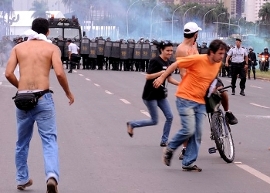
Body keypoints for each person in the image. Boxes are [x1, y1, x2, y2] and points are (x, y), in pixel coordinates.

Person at [5, 18, 74, 192]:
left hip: (22, 99)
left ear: (32, 30)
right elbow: (59, 72)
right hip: (43, 99)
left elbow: (8, 73)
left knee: (22, 142)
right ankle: (51, 176)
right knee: (49, 140)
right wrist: (68, 92)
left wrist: (21, 86)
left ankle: (22, 179)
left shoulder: (18, 48)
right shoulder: (52, 48)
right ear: (48, 32)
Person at [153, 39, 227, 171]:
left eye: (223, 53)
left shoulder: (217, 64)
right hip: (185, 98)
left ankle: (188, 162)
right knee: (189, 129)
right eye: (220, 53)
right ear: (211, 52)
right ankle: (170, 148)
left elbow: (209, 79)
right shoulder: (198, 59)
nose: (222, 56)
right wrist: (161, 77)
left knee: (197, 132)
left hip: (200, 101)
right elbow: (176, 64)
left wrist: (214, 89)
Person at [126, 41, 179, 147]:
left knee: (170, 116)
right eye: (167, 51)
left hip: (161, 95)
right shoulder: (155, 61)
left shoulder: (168, 62)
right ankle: (132, 124)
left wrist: (181, 84)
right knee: (154, 121)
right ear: (161, 50)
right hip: (150, 95)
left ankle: (164, 140)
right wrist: (161, 73)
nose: (170, 53)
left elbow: (168, 79)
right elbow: (148, 76)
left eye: (171, 51)